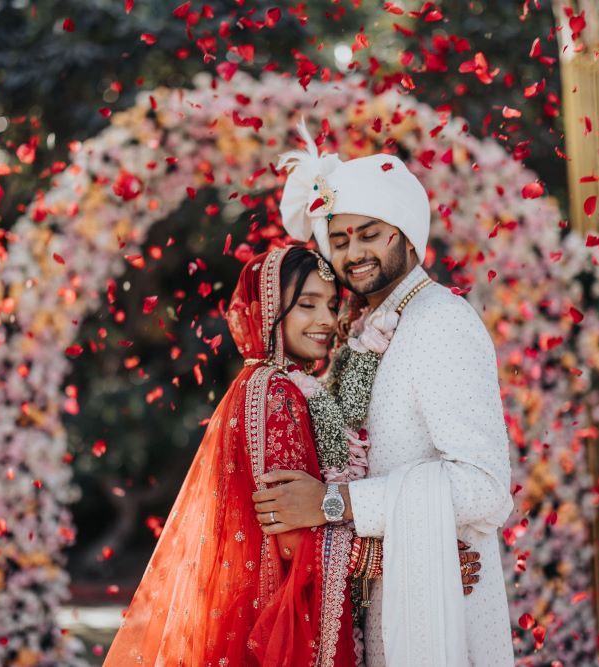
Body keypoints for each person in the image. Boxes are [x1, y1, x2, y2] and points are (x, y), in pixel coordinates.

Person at [253, 124, 515, 666]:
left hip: (444, 609)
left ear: (403, 233)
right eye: (341, 240)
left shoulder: (441, 320)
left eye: (369, 234)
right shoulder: (364, 330)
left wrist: (332, 504)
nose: (354, 254)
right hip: (384, 599)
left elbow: (485, 488)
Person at [103, 245, 361, 666]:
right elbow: (291, 535)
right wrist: (395, 557)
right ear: (269, 309)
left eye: (332, 306)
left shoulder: (253, 383)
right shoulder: (277, 392)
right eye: (307, 305)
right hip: (275, 621)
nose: (327, 321)